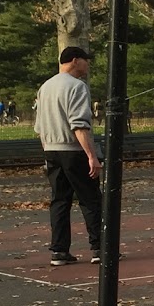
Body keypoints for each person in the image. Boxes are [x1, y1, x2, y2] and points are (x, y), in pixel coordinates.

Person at [33, 46, 103, 267]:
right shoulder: (77, 87)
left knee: (60, 201)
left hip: (51, 149)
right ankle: (99, 248)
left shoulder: (45, 87)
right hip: (74, 150)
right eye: (85, 60)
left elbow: (39, 127)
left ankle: (59, 250)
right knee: (90, 199)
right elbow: (79, 125)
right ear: (75, 61)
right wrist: (91, 156)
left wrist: (47, 152)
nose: (87, 64)